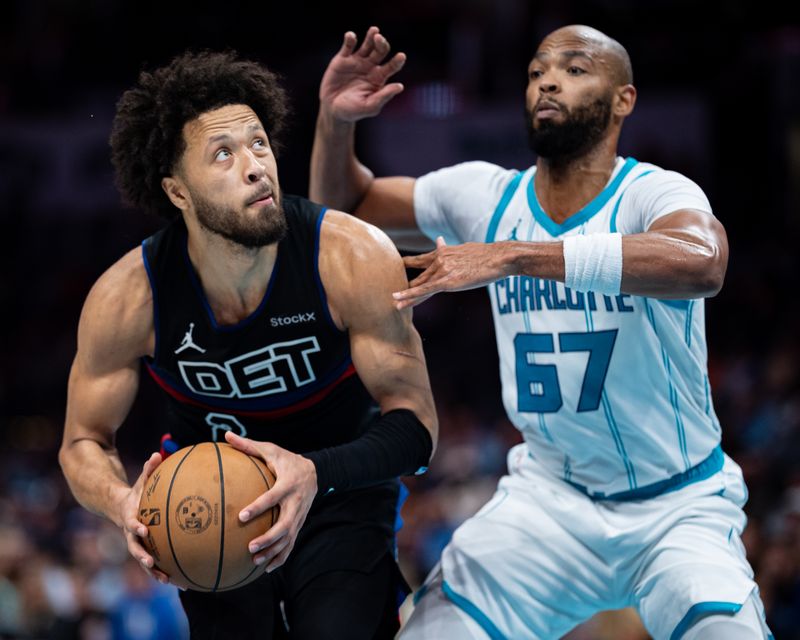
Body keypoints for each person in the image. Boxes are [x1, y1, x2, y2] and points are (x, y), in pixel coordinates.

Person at [310, 25, 773, 640]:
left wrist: (517, 257)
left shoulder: (652, 192)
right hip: (549, 502)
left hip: (676, 505)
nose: (548, 80)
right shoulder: (484, 193)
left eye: (575, 69)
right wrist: (335, 121)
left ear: (624, 100)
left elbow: (703, 262)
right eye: (535, 72)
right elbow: (345, 211)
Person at [59, 50, 438, 640]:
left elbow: (417, 430)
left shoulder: (352, 256)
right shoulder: (126, 298)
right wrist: (121, 501)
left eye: (258, 143)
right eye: (223, 154)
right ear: (177, 191)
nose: (256, 166)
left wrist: (313, 471)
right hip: (209, 509)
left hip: (337, 491)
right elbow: (81, 441)